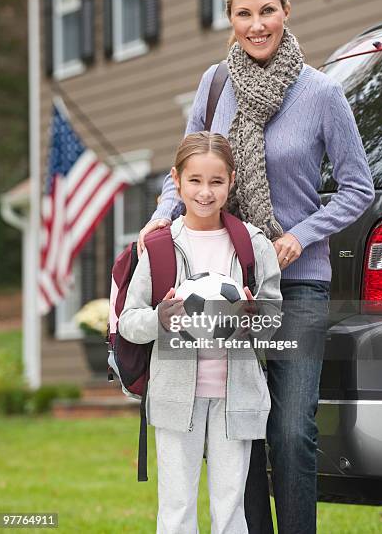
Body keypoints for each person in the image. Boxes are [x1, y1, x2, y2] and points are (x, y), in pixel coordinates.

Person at [137, 0, 375, 534]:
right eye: (244, 13)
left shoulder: (320, 94)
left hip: (297, 284)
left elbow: (358, 188)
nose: (257, 24)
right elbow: (185, 171)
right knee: (235, 425)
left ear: (286, 11)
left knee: (292, 430)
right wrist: (157, 222)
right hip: (223, 281)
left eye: (267, 10)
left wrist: (300, 234)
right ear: (231, 19)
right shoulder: (215, 85)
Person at [119, 131, 282, 534]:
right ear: (176, 180)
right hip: (177, 398)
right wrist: (161, 317)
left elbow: (276, 320)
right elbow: (128, 321)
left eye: (216, 181)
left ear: (231, 182)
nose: (205, 192)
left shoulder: (253, 244)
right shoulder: (160, 247)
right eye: (194, 181)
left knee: (231, 510)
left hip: (236, 398)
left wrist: (252, 315)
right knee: (176, 510)